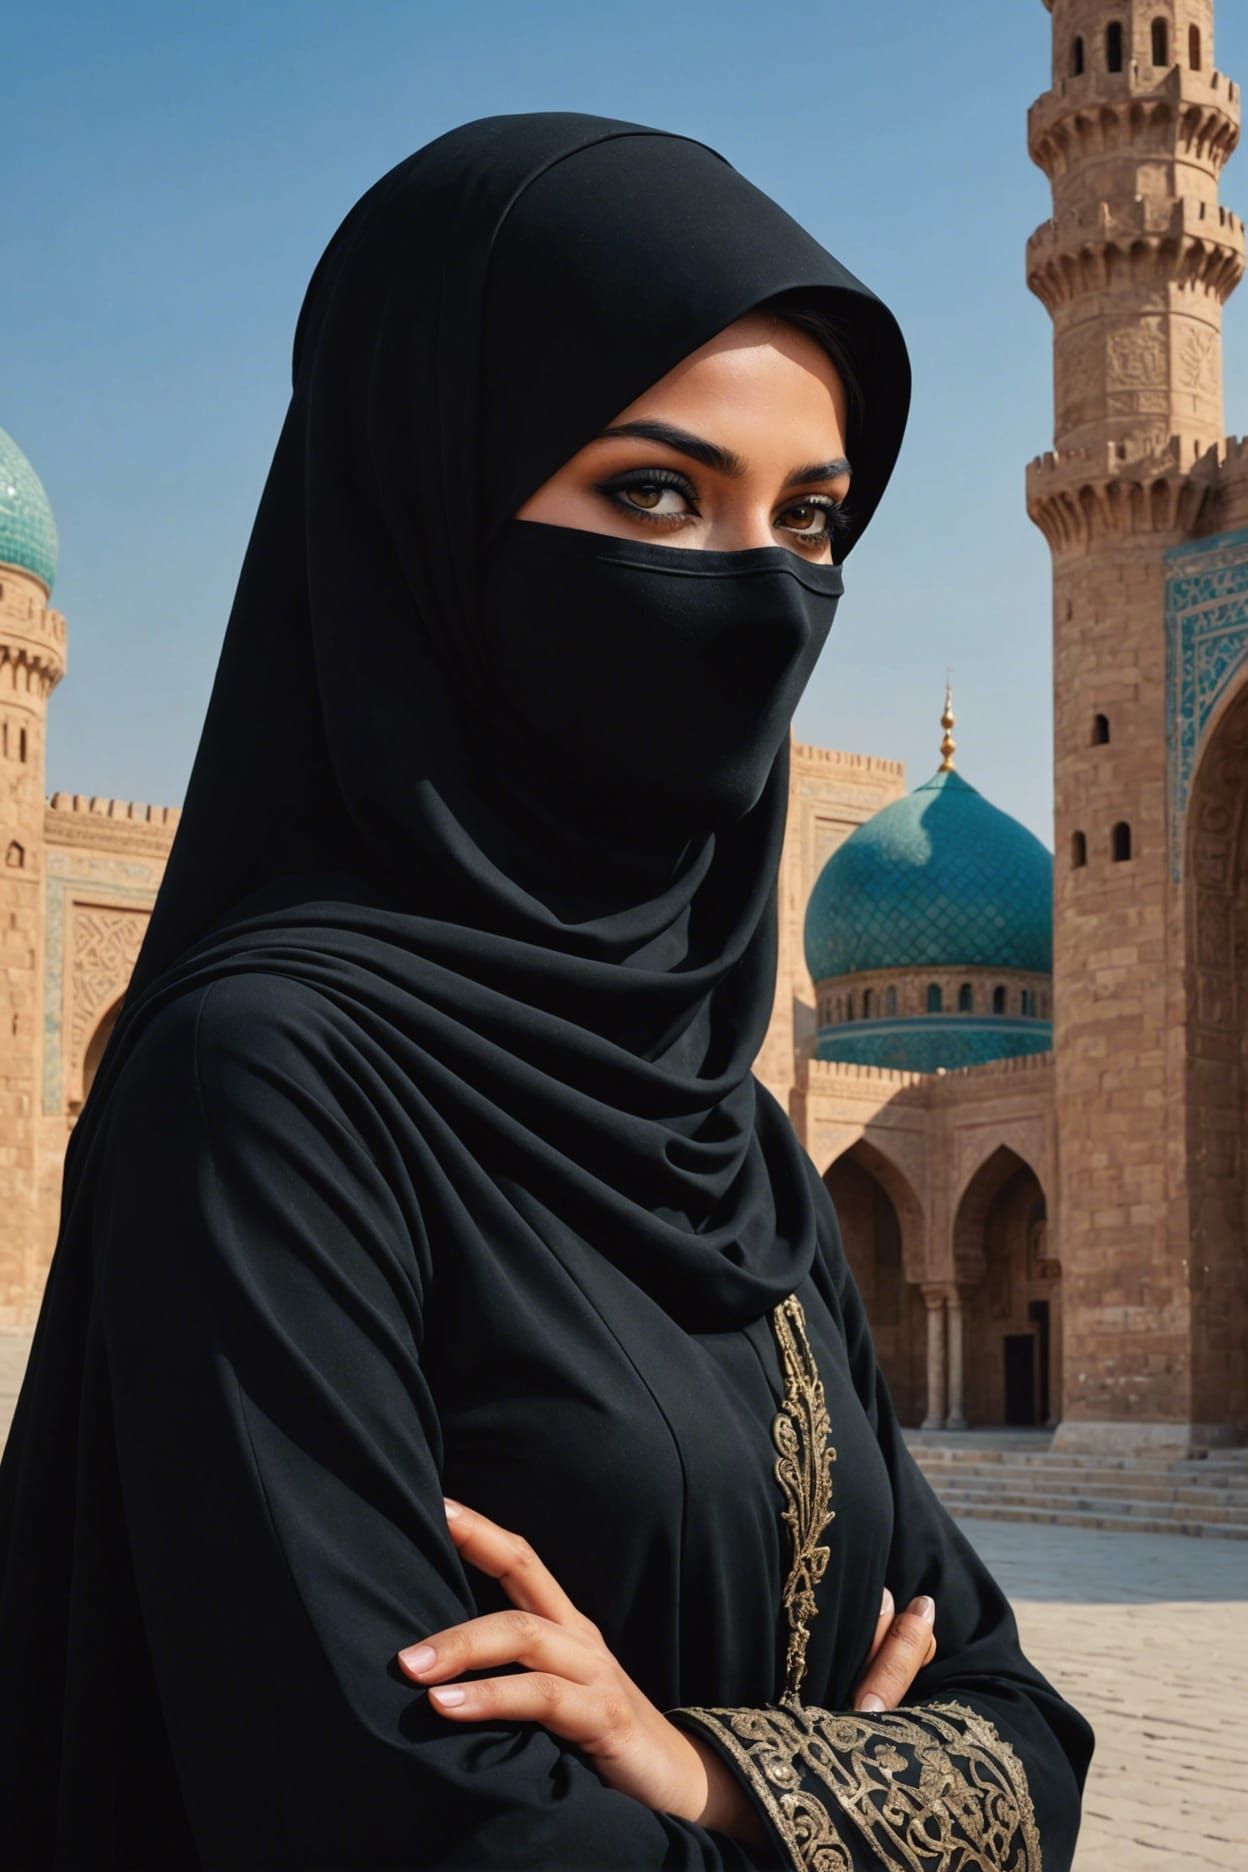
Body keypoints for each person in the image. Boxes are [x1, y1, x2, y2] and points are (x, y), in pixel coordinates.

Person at [0, 112, 1094, 1870]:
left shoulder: (728, 1140)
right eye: (655, 492)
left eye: (810, 519)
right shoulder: (263, 1092)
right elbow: (403, 1823)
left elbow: (1032, 1739)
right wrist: (853, 1789)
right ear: (424, 507)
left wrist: (704, 1775)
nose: (761, 597)